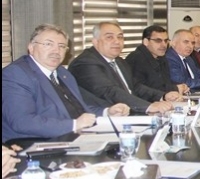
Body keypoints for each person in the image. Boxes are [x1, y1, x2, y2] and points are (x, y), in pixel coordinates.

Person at [2, 24, 131, 143]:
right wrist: (74, 125)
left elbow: (77, 107)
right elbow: (23, 122)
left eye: (62, 46)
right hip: (35, 144)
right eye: (48, 44)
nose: (56, 51)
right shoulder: (17, 74)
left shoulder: (62, 73)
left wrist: (106, 112)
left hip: (73, 138)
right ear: (31, 47)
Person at [68, 21, 177, 115]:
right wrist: (148, 106)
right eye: (109, 37)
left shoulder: (119, 61)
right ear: (95, 42)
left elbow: (135, 86)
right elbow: (110, 92)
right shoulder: (86, 63)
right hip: (105, 118)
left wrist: (162, 96)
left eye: (120, 37)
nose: (117, 41)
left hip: (130, 112)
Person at [125, 25, 188, 95]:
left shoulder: (161, 57)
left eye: (166, 41)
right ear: (146, 42)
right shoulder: (136, 59)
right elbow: (141, 90)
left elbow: (165, 83)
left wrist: (181, 86)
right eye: (158, 41)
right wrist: (174, 88)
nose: (164, 45)